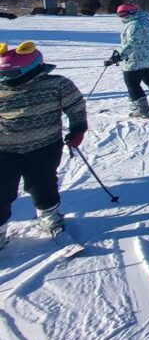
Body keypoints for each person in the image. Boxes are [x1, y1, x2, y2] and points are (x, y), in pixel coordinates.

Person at [0, 42, 87, 246]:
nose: (4, 79)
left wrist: (78, 128)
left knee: (43, 184)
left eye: (10, 74)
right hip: (4, 150)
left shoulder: (57, 84)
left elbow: (75, 105)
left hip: (44, 146)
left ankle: (49, 216)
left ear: (32, 69)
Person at [113, 3, 149, 117]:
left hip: (136, 60)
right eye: (119, 14)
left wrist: (121, 56)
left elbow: (134, 43)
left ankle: (141, 109)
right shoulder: (146, 21)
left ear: (132, 13)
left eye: (123, 14)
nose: (122, 17)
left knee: (132, 84)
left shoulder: (134, 24)